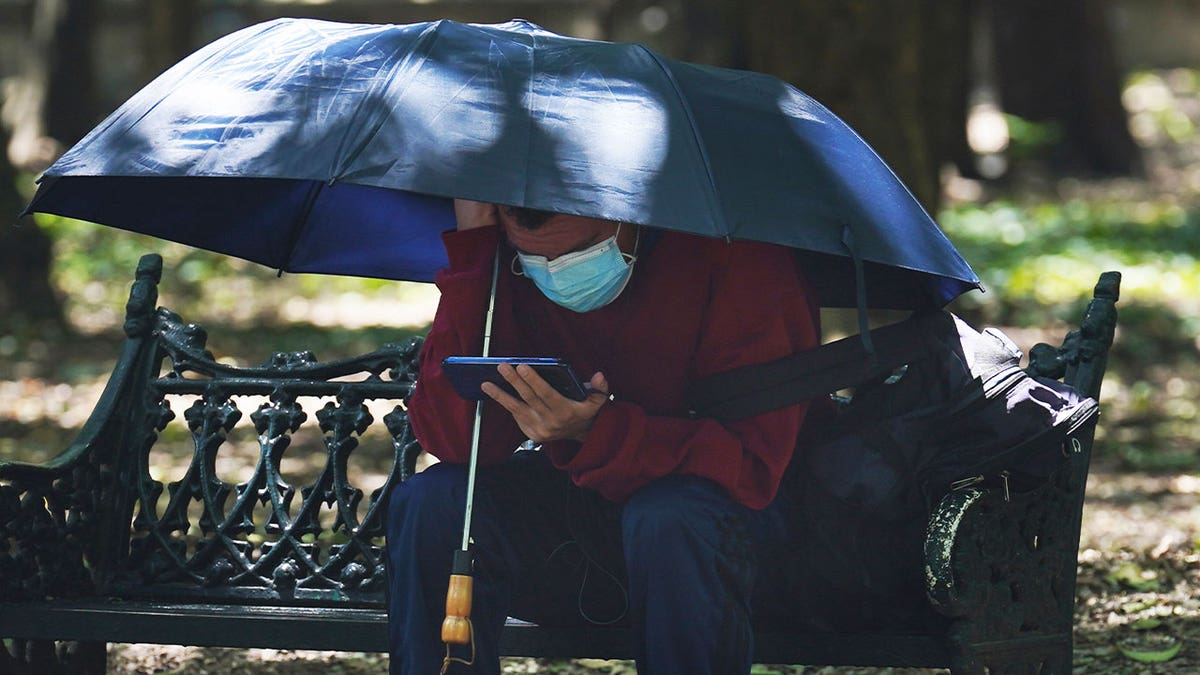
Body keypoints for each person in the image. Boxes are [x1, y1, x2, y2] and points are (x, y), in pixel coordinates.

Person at [386, 199, 820, 674]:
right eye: (535, 261)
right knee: (434, 500)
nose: (556, 273)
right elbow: (454, 443)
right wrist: (475, 255)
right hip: (584, 526)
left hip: (720, 536)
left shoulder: (739, 256)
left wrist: (598, 432)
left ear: (628, 210)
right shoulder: (502, 264)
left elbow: (752, 468)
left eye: (580, 252)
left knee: (668, 515)